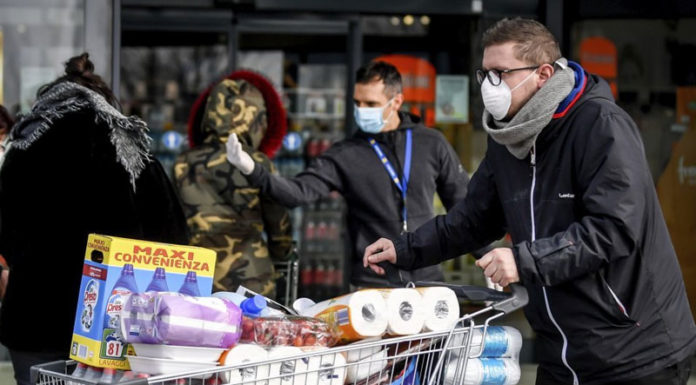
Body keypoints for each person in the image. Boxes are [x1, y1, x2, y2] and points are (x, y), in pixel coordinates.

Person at [363, 18, 696, 385]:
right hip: (561, 353)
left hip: (634, 353)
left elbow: (614, 229)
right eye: (484, 74)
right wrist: (405, 248)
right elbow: (474, 220)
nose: (490, 86)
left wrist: (523, 261)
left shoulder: (600, 125)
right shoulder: (508, 136)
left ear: (543, 74)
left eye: (500, 73)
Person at [0, 53, 189, 385]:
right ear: (105, 99)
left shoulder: (22, 148)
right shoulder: (128, 144)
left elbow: (6, 236)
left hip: (34, 323)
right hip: (114, 330)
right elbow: (173, 236)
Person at [225, 61, 472, 288]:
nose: (361, 110)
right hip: (372, 281)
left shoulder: (431, 143)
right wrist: (252, 170)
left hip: (427, 279)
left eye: (371, 104)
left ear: (396, 102)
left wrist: (485, 254)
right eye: (357, 103)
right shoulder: (345, 154)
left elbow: (463, 205)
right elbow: (297, 193)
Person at [175, 71, 292, 296]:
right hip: (252, 278)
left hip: (196, 279)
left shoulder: (183, 163)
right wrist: (283, 254)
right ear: (254, 119)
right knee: (252, 331)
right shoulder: (257, 163)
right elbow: (278, 223)